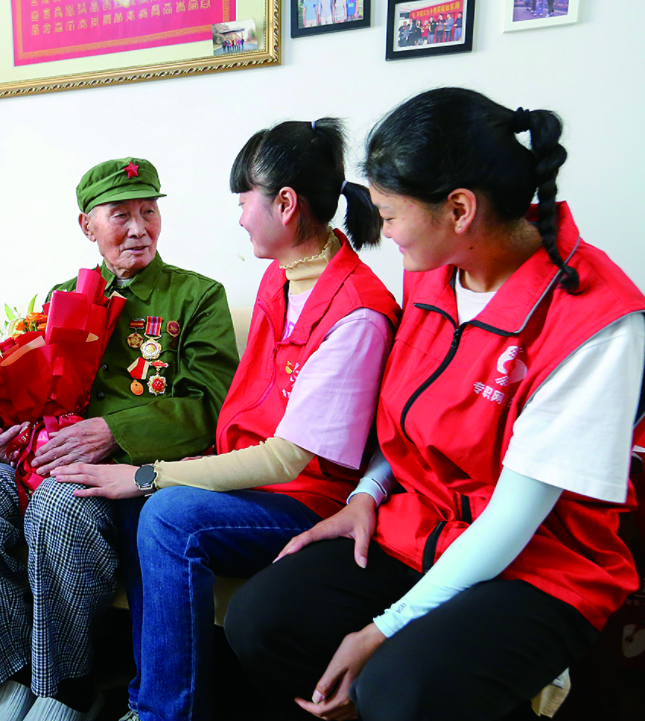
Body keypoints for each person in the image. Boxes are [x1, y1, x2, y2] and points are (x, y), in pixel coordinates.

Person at [225, 87, 645, 721]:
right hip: (422, 526)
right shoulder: (432, 271)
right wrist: (364, 494)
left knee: (397, 689)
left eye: (390, 216)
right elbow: (407, 423)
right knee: (262, 619)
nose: (381, 232)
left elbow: (513, 520)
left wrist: (379, 631)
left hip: (538, 565)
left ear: (459, 209)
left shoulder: (596, 321)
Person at [54, 120, 398, 721]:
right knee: (143, 507)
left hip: (306, 495)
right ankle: (135, 696)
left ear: (283, 204)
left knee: (167, 514)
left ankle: (165, 712)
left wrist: (147, 473)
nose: (239, 219)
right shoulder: (282, 274)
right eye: (119, 215)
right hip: (256, 478)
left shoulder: (357, 312)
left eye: (244, 202)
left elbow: (290, 457)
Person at [0, 157, 239, 721]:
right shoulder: (61, 295)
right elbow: (29, 385)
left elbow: (213, 408)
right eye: (121, 215)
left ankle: (63, 687)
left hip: (126, 471)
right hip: (42, 455)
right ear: (87, 226)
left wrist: (113, 430)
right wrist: (10, 427)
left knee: (57, 505)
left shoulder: (197, 297)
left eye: (149, 211)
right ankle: (6, 679)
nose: (139, 228)